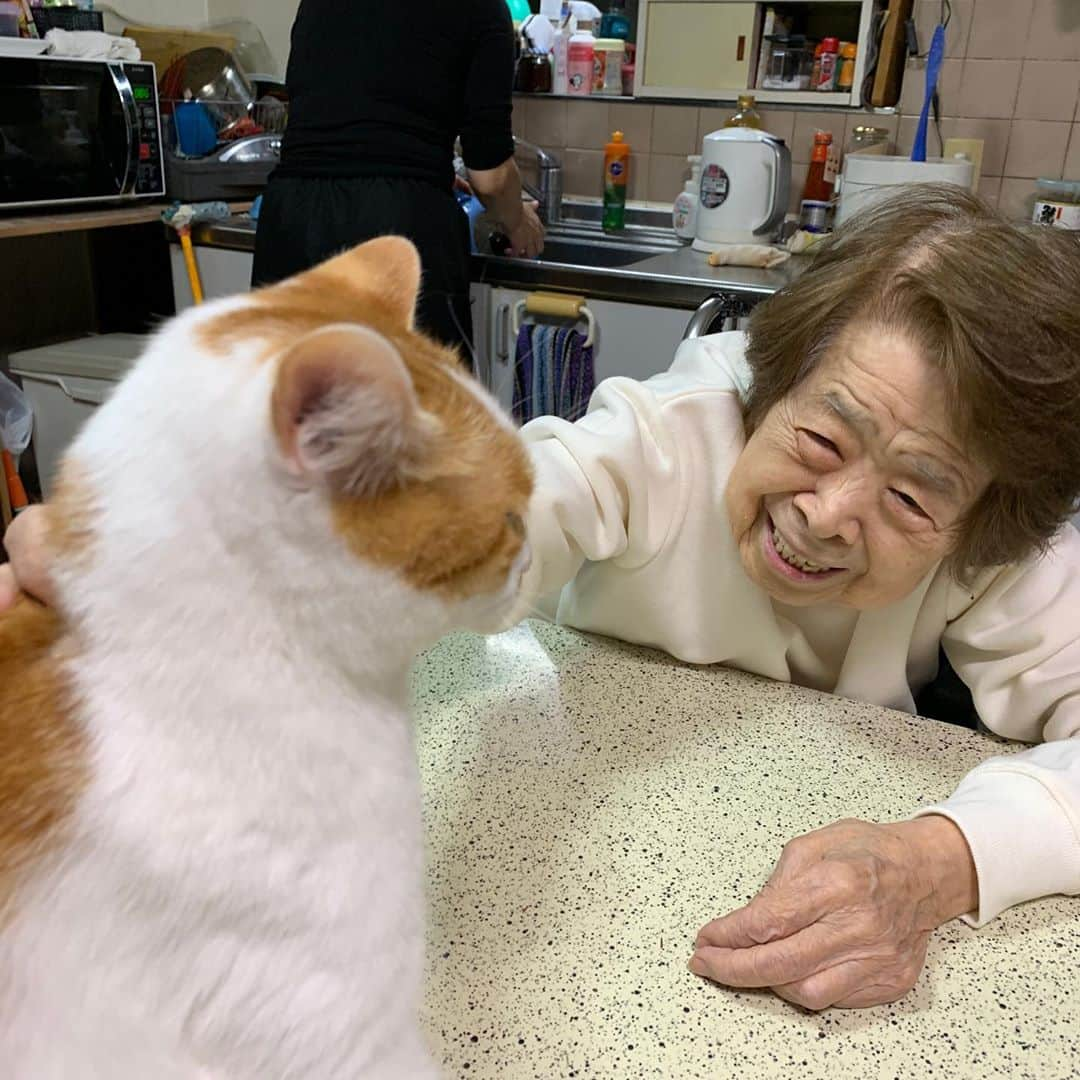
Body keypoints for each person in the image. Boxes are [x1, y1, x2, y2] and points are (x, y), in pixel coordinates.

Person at [5, 187, 1079, 1012]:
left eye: (908, 495)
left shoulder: (1003, 531)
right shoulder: (671, 436)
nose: (832, 511)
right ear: (770, 380)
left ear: (983, 515)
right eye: (819, 437)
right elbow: (514, 507)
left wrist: (944, 859)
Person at [251, 0, 544, 358]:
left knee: (291, 400)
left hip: (291, 220)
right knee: (410, 407)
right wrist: (518, 221)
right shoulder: (481, 8)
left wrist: (423, 166)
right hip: (396, 227)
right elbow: (491, 176)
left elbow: (351, 109)